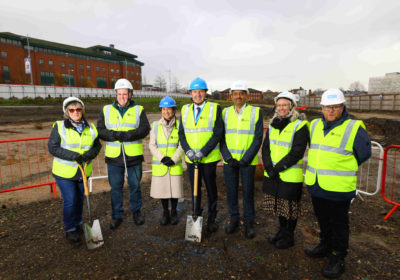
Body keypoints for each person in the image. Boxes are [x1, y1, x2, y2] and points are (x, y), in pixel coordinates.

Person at [304, 88, 371, 279]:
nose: (331, 111)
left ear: (343, 107)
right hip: (317, 184)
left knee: (339, 224)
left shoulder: (354, 127)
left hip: (338, 188)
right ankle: (325, 246)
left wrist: (342, 166)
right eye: (327, 107)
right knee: (322, 219)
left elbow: (364, 153)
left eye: (335, 107)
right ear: (322, 108)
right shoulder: (315, 125)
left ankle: (338, 256)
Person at [97, 78, 150, 230]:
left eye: (125, 94)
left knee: (135, 186)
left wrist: (128, 135)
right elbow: (100, 130)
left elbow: (144, 129)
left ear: (130, 94)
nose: (122, 96)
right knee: (115, 188)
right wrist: (113, 135)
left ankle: (136, 212)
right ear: (116, 94)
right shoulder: (106, 110)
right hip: (114, 157)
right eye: (119, 94)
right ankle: (116, 215)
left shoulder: (139, 110)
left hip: (133, 156)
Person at [48, 96, 101, 243]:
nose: (75, 112)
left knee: (79, 199)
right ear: (67, 112)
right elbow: (53, 147)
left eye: (78, 109)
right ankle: (70, 229)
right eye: (72, 110)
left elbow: (97, 145)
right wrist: (73, 156)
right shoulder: (59, 126)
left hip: (83, 171)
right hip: (64, 172)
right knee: (70, 200)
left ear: (82, 110)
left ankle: (78, 223)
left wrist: (91, 154)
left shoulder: (90, 127)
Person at [262, 91, 309, 249]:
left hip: (289, 174)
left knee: (290, 209)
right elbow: (266, 147)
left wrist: (278, 168)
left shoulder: (300, 125)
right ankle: (281, 232)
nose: (281, 108)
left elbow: (297, 152)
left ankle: (289, 237)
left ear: (292, 107)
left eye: (285, 105)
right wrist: (268, 166)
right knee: (279, 206)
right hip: (274, 174)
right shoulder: (273, 123)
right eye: (279, 105)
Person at [178, 77, 223, 233]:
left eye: (201, 91)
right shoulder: (184, 110)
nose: (198, 94)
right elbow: (181, 134)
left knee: (211, 189)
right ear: (190, 93)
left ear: (205, 93)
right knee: (194, 188)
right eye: (195, 92)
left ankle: (211, 218)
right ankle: (196, 215)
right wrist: (188, 151)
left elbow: (217, 133)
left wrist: (203, 152)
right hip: (191, 159)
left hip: (208, 159)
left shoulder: (215, 108)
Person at [220, 81, 263, 239]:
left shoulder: (256, 112)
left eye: (242, 93)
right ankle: (234, 219)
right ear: (231, 96)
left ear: (246, 95)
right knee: (231, 192)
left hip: (248, 162)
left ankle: (249, 223)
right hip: (230, 161)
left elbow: (258, 138)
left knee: (247, 192)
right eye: (235, 93)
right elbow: (221, 137)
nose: (238, 96)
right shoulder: (224, 113)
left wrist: (247, 158)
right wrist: (227, 156)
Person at [149, 96, 184, 225]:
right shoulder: (155, 126)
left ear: (174, 110)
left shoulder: (180, 125)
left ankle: (174, 212)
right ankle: (165, 212)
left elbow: (182, 145)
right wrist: (162, 158)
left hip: (174, 165)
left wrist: (174, 159)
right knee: (163, 191)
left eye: (169, 109)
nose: (166, 112)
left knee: (175, 191)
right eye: (164, 109)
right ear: (161, 110)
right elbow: (152, 145)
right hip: (161, 165)